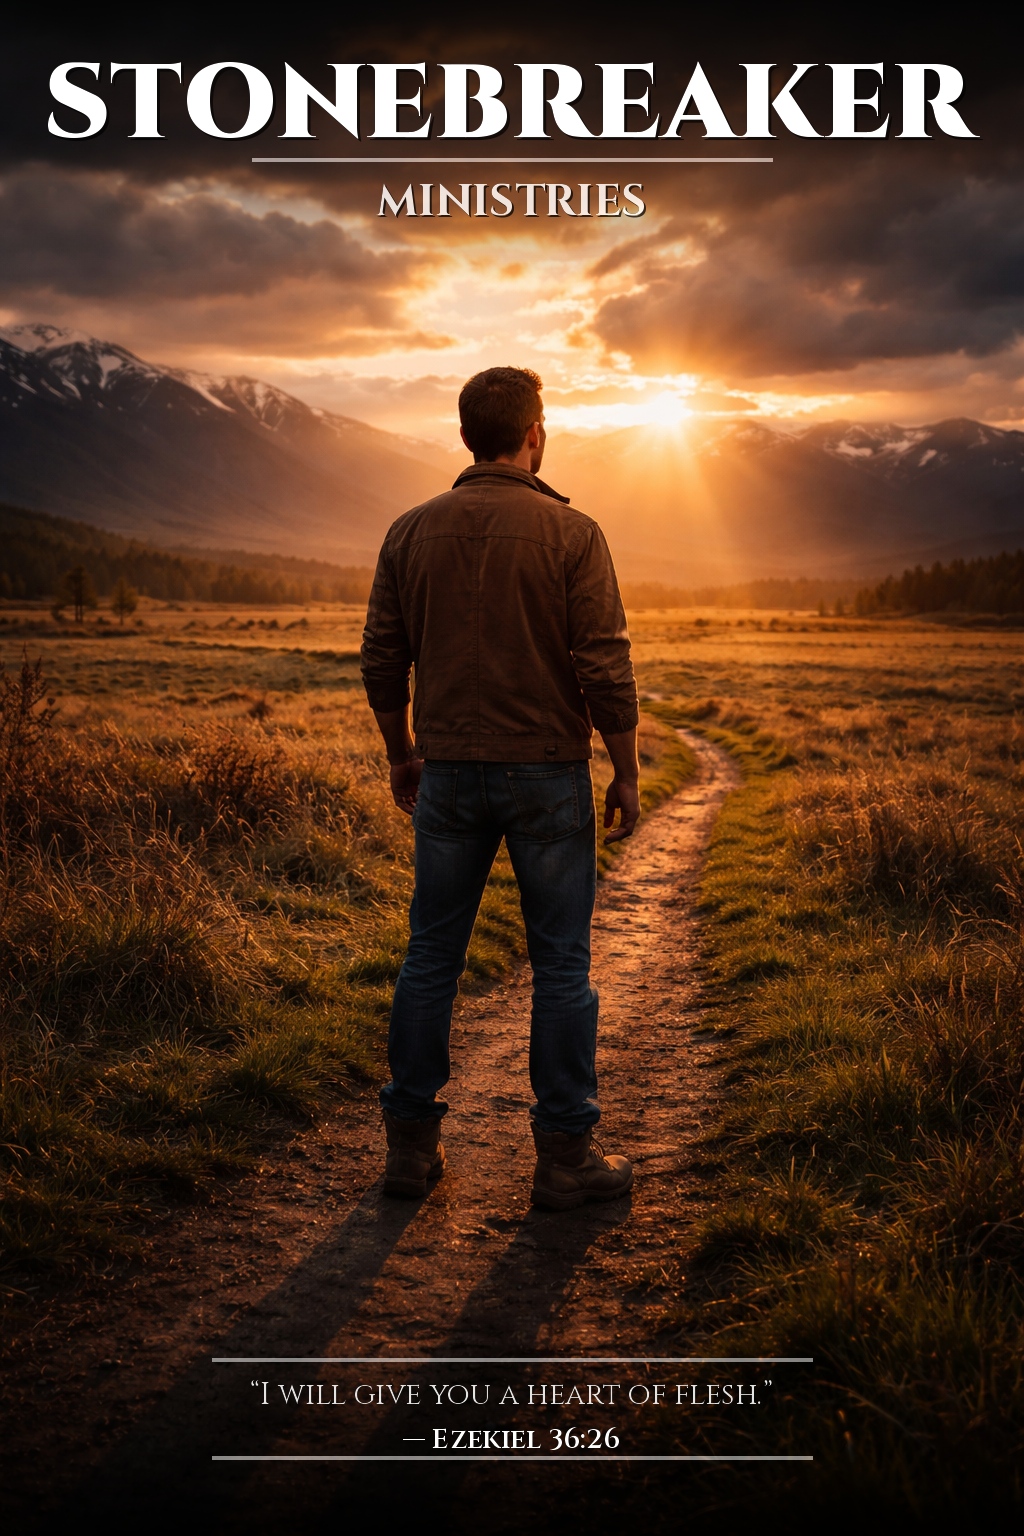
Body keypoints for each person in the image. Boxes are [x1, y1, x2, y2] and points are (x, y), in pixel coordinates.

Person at [360, 365, 640, 1211]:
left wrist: (402, 754)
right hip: (549, 774)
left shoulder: (410, 530)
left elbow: (382, 657)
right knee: (561, 964)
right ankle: (564, 1157)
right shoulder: (573, 533)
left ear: (464, 436)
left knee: (430, 956)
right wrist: (625, 768)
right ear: (535, 432)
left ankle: (409, 1150)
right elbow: (603, 661)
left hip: (446, 775)